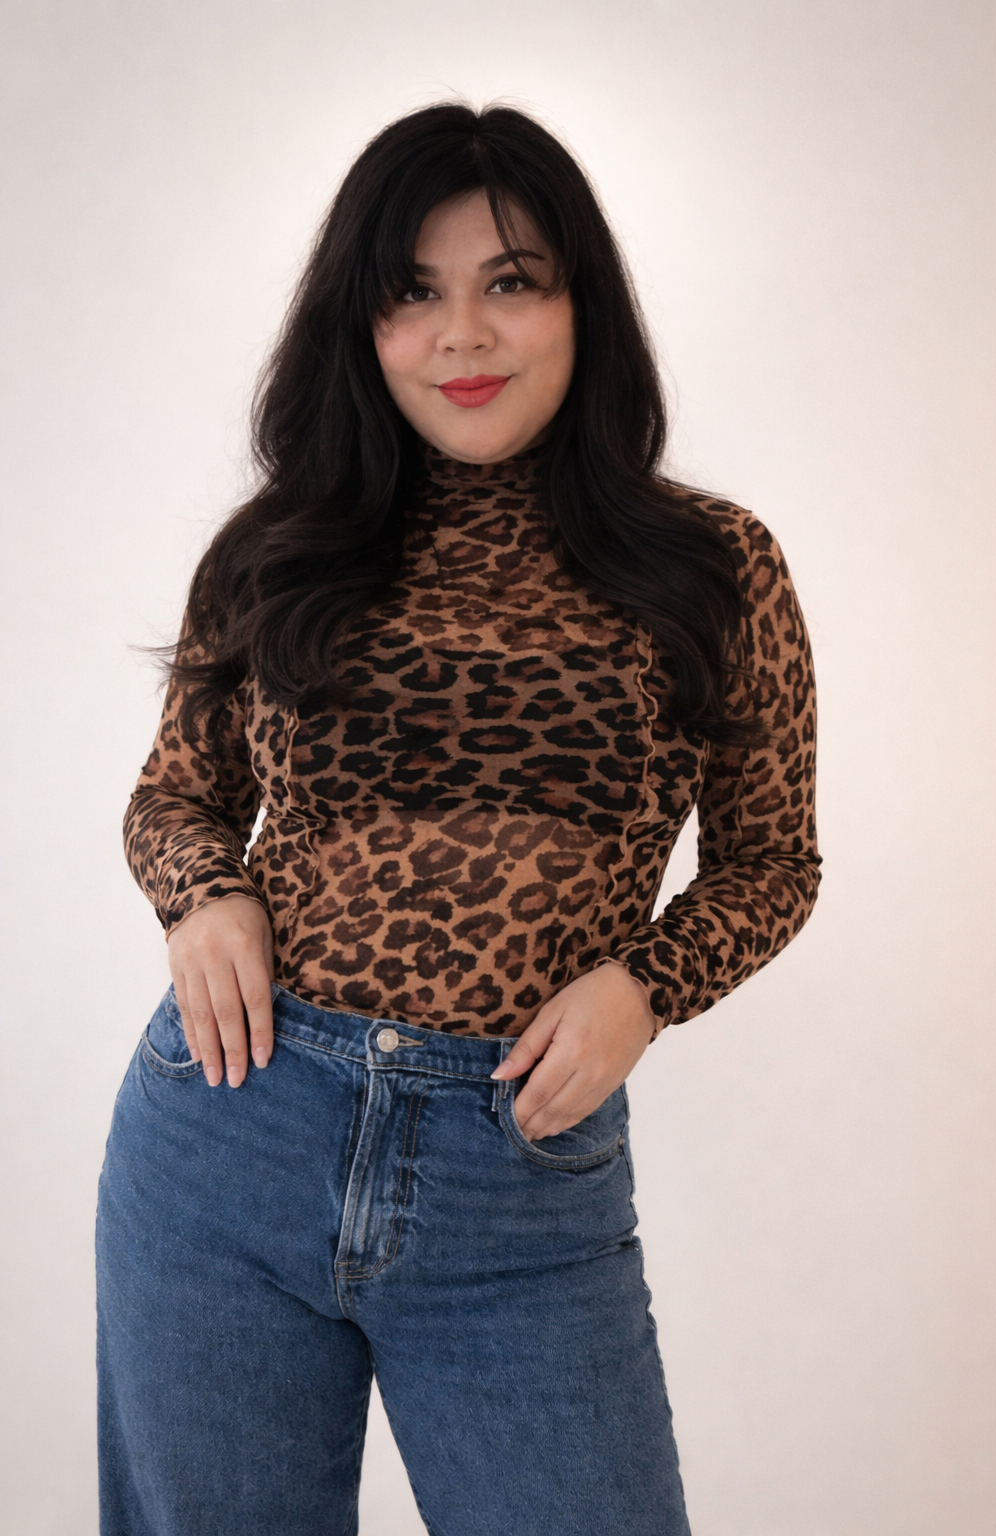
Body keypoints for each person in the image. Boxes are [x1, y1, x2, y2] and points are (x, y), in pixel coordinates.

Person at [96, 102, 820, 1536]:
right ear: (359, 326)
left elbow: (772, 861)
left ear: (580, 303)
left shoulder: (713, 565)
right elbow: (177, 792)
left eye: (512, 281)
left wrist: (646, 988)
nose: (463, 336)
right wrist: (204, 893)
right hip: (230, 1132)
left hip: (521, 1180)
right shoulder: (279, 549)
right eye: (411, 292)